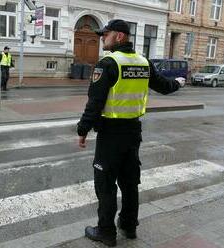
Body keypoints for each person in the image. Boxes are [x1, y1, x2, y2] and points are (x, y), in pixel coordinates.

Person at [77, 19, 185, 247]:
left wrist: (83, 130)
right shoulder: (143, 62)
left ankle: (106, 231)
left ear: (118, 36)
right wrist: (178, 83)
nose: (101, 38)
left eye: (104, 34)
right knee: (129, 182)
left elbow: (95, 103)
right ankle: (128, 225)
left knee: (105, 183)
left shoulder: (107, 63)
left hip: (110, 134)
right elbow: (164, 87)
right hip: (133, 132)